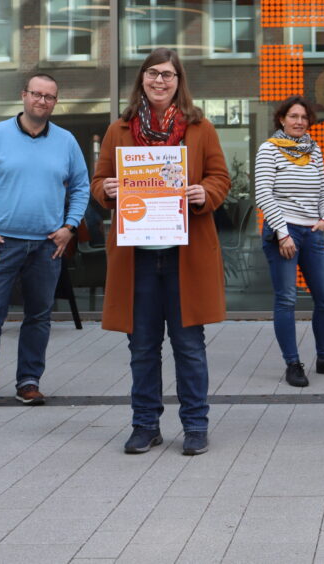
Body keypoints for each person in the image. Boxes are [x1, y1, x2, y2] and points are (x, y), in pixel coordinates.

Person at [91, 48, 230, 456]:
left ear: (178, 81)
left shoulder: (200, 127)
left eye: (168, 75)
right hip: (137, 259)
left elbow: (220, 177)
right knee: (142, 347)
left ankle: (196, 426)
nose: (159, 81)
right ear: (142, 79)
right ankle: (145, 425)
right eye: (153, 73)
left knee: (189, 346)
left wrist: (205, 192)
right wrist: (107, 189)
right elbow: (99, 181)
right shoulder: (119, 129)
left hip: (184, 256)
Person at [0, 74, 89, 411]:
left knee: (39, 316)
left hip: (47, 245)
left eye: (49, 97)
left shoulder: (66, 141)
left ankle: (29, 383)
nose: (42, 101)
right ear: (24, 95)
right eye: (37, 94)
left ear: (55, 102)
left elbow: (81, 186)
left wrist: (70, 227)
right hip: (0, 243)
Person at [255, 95, 324, 387]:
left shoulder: (314, 150)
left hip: (312, 231)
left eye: (303, 117)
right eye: (293, 116)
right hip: (283, 231)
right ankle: (293, 363)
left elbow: (323, 188)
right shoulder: (269, 149)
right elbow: (263, 194)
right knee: (286, 299)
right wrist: (283, 233)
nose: (299, 122)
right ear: (282, 119)